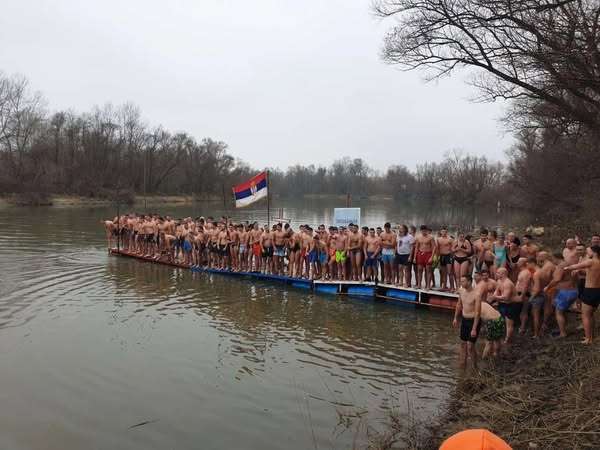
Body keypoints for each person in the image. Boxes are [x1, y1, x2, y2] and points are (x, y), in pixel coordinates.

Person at [565, 245, 600, 344]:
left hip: (590, 291)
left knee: (585, 315)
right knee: (590, 314)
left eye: (588, 251)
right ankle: (591, 336)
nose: (587, 253)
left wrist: (566, 268)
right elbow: (589, 271)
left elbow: (573, 266)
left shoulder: (591, 261)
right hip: (598, 290)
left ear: (594, 253)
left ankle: (588, 339)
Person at [452, 274, 481, 370]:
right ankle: (462, 364)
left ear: (469, 282)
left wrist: (474, 329)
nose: (461, 283)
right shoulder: (461, 290)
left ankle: (475, 367)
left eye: (463, 281)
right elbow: (459, 305)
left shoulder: (476, 294)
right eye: (461, 281)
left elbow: (477, 312)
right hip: (464, 320)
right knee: (463, 344)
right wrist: (455, 318)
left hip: (473, 321)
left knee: (470, 346)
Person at [545, 258, 578, 338]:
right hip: (573, 290)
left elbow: (557, 279)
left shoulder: (561, 266)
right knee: (562, 312)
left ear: (555, 258)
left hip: (565, 292)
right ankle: (562, 329)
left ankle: (563, 333)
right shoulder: (569, 264)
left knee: (558, 313)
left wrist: (548, 287)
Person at [489, 267, 519, 344]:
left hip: (510, 304)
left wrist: (494, 297)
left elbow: (506, 297)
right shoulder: (499, 281)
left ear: (503, 274)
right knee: (502, 320)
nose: (496, 274)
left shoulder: (507, 283)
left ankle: (507, 339)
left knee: (509, 323)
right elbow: (497, 290)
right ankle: (502, 336)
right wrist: (495, 295)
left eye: (498, 273)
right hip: (502, 304)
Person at [527, 257, 546, 338]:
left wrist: (532, 297)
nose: (527, 266)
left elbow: (537, 288)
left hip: (537, 296)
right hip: (542, 294)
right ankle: (538, 332)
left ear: (532, 263)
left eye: (527, 264)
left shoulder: (536, 274)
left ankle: (536, 334)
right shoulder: (542, 271)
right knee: (536, 314)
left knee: (536, 316)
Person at [414, 225, 436, 289]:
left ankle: (428, 285)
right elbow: (416, 248)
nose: (424, 232)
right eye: (422, 231)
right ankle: (419, 285)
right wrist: (415, 257)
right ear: (421, 231)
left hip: (428, 253)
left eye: (425, 230)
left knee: (428, 270)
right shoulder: (418, 237)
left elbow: (434, 247)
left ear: (426, 230)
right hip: (420, 254)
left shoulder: (431, 237)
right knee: (419, 270)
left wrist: (432, 257)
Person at [437, 226, 454, 291]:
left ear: (447, 232)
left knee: (450, 272)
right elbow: (437, 249)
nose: (444, 233)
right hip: (442, 256)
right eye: (443, 231)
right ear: (441, 232)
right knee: (444, 273)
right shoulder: (438, 239)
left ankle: (452, 287)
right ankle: (444, 286)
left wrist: (452, 257)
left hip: (448, 256)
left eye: (445, 231)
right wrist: (437, 258)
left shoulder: (450, 239)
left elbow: (453, 249)